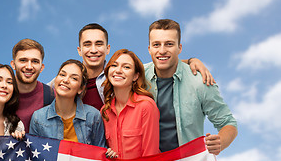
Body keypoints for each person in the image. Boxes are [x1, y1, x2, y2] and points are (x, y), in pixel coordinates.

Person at [145, 19, 238, 155]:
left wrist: (220, 142)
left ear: (179, 48)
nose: (162, 50)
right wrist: (191, 60)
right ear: (149, 49)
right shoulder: (137, 76)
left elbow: (228, 123)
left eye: (169, 44)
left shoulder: (201, 81)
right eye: (156, 44)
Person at [74, 23, 215, 110]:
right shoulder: (65, 81)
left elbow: (160, 64)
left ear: (108, 48)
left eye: (99, 44)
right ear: (79, 50)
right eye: (87, 44)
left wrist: (191, 61)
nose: (93, 50)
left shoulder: (119, 75)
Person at [14, 59, 106, 148]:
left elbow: (101, 155)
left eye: (74, 78)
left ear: (81, 88)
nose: (65, 80)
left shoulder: (93, 116)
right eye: (62, 74)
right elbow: (34, 155)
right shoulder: (38, 117)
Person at [101, 49, 160, 159]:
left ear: (135, 76)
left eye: (126, 67)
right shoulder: (105, 111)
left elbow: (151, 155)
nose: (118, 70)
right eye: (114, 65)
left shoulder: (146, 106)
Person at [10, 39, 55, 133]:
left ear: (41, 67)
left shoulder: (51, 96)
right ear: (13, 65)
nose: (29, 67)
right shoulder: (0, 93)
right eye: (23, 60)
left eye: (35, 61)